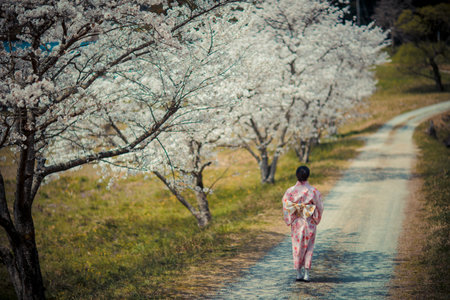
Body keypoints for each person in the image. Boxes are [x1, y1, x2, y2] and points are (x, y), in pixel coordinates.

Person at [282, 166, 324, 282]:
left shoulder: (290, 191)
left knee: (297, 246)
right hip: (309, 221)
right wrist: (316, 218)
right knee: (309, 247)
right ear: (308, 176)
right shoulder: (313, 191)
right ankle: (307, 274)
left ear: (297, 176)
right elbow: (320, 207)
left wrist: (289, 219)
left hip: (297, 222)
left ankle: (298, 273)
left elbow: (286, 206)